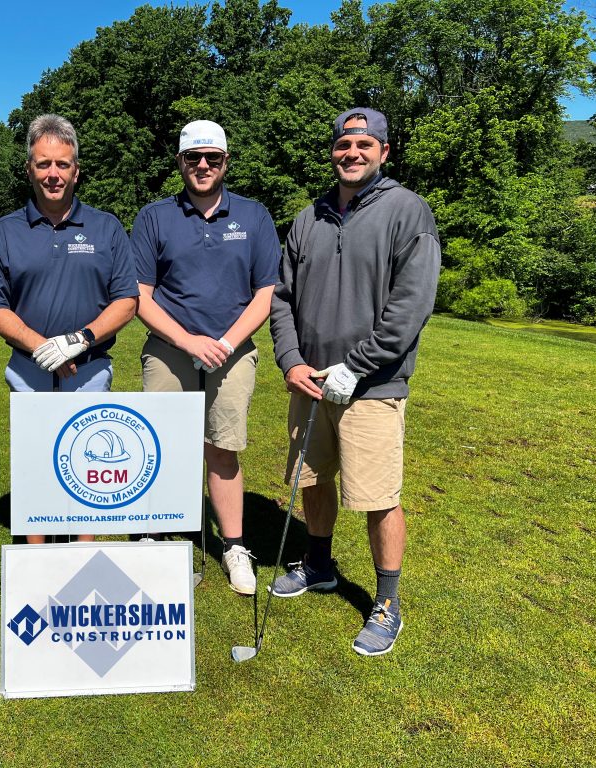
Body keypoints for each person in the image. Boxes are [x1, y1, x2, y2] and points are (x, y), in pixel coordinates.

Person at [269, 107, 440, 656]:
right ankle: (319, 563)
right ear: (334, 151)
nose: (353, 153)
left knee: (377, 496)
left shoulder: (407, 211)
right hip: (311, 382)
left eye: (365, 145)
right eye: (345, 145)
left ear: (384, 152)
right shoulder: (308, 218)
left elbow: (411, 306)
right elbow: (282, 299)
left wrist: (358, 365)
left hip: (373, 386)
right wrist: (292, 361)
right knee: (312, 481)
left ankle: (386, 602)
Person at [131, 120, 280, 595]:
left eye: (211, 158)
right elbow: (141, 296)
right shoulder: (155, 217)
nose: (202, 166)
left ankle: (233, 544)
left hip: (232, 351)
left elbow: (265, 293)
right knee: (163, 446)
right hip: (169, 347)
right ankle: (157, 533)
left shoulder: (254, 216)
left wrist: (226, 344)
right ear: (179, 162)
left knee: (223, 445)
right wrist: (188, 341)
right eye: (193, 158)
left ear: (225, 162)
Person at [0, 114, 138, 544]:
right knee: (35, 463)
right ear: (29, 168)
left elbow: (127, 300)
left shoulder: (105, 227)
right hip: (28, 369)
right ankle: (36, 556)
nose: (53, 174)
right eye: (44, 164)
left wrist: (79, 340)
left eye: (63, 164)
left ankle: (81, 554)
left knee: (86, 465)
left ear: (76, 170)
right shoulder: (7, 231)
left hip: (88, 368)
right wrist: (40, 346)